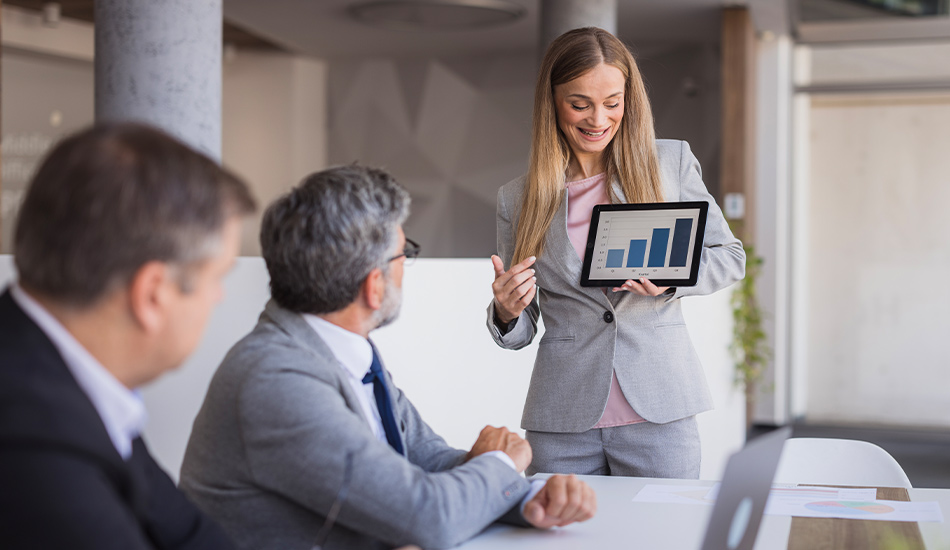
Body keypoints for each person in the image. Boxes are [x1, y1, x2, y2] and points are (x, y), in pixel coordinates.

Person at [180, 165, 596, 550]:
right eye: (404, 254)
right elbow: (426, 516)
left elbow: (426, 457)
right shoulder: (275, 381)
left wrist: (526, 498)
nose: (406, 267)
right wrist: (504, 463)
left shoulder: (342, 348)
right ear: (374, 285)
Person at [487, 27, 746, 479]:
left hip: (660, 407)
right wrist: (507, 311)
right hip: (563, 417)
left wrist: (674, 277)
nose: (597, 119)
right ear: (552, 101)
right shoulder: (518, 198)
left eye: (612, 102)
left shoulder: (671, 164)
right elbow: (523, 324)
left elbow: (730, 255)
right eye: (579, 103)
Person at [0, 123, 257, 548]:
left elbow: (189, 535)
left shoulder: (66, 381)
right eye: (216, 278)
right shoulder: (34, 445)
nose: (219, 297)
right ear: (152, 294)